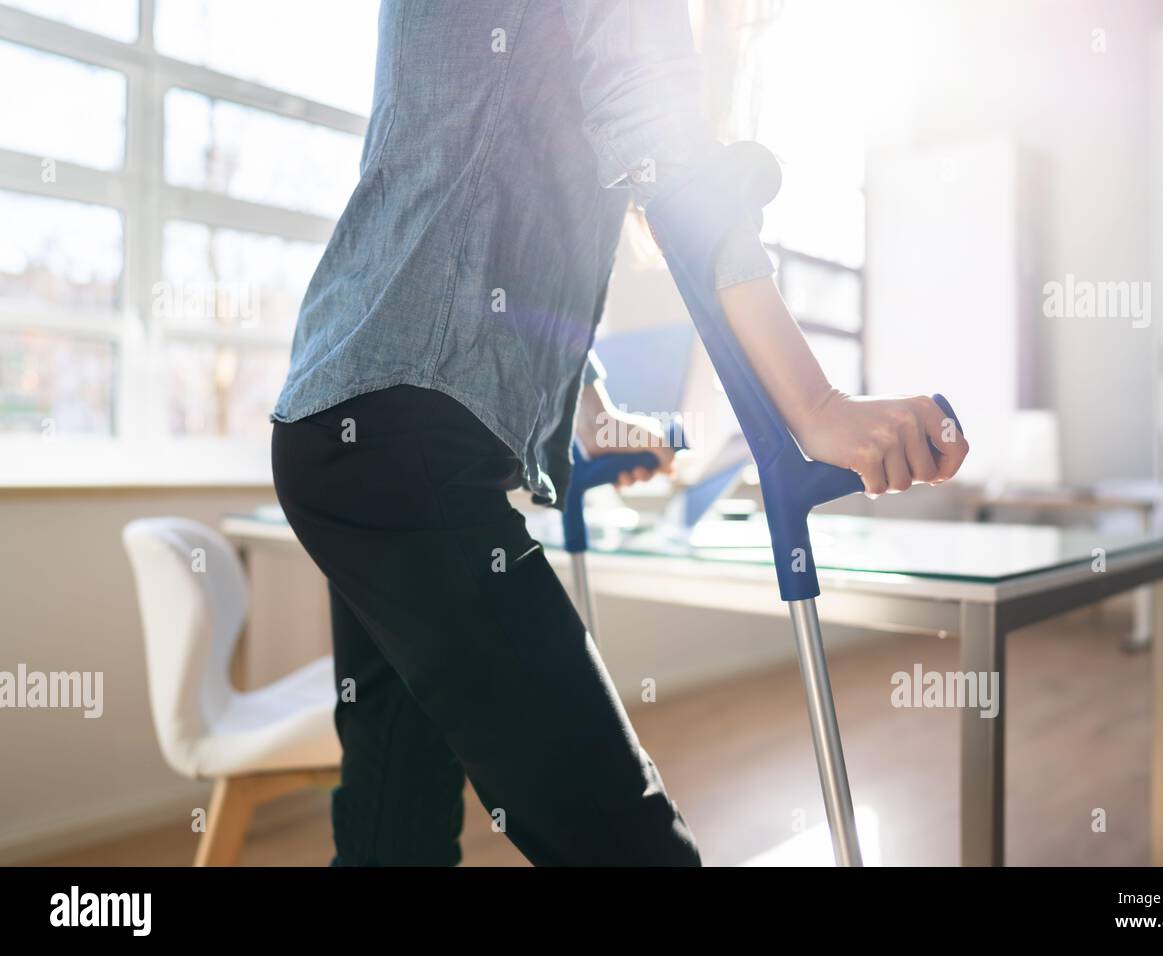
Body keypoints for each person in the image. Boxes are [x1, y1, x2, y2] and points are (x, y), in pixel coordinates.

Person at [270, 0, 969, 867]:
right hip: (400, 446)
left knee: (394, 837)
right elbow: (666, 154)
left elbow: (473, 212)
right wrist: (817, 404)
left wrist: (587, 412)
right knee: (631, 849)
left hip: (343, 431)